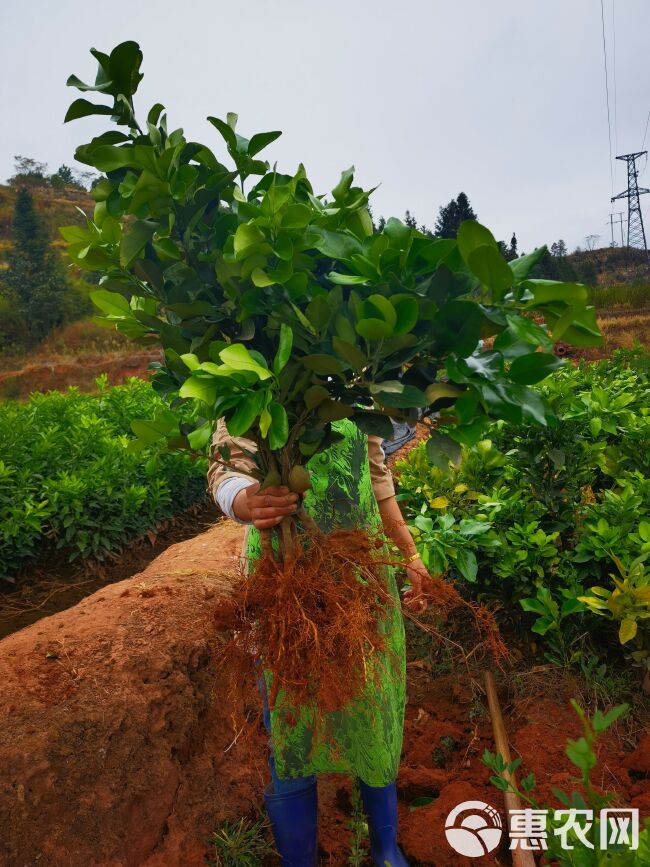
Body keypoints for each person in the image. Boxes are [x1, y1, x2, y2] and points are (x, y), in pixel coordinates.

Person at [208, 417, 432, 866]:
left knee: (374, 704)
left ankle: (385, 849)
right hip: (285, 572)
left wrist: (408, 552)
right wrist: (246, 501)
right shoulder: (254, 370)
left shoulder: (359, 377)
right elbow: (224, 467)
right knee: (293, 718)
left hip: (359, 574)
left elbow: (374, 471)